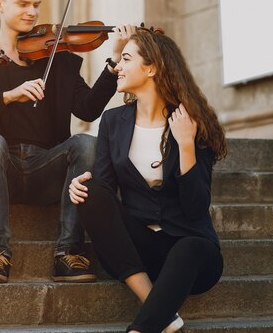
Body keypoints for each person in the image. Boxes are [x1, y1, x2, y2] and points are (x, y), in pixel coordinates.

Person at [0, 0, 122, 283]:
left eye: (36, 5)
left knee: (87, 143)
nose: (32, 13)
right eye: (23, 4)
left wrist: (113, 64)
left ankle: (69, 253)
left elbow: (88, 109)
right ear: (0, 3)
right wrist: (8, 96)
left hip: (46, 169)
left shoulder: (57, 57)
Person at [69, 26, 226, 333]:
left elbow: (195, 210)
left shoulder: (189, 121)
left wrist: (186, 146)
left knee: (189, 247)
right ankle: (160, 309)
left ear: (151, 67)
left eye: (126, 59)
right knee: (88, 188)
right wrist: (84, 187)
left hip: (190, 256)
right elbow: (105, 193)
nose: (118, 67)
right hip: (139, 250)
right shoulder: (114, 121)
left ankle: (141, 328)